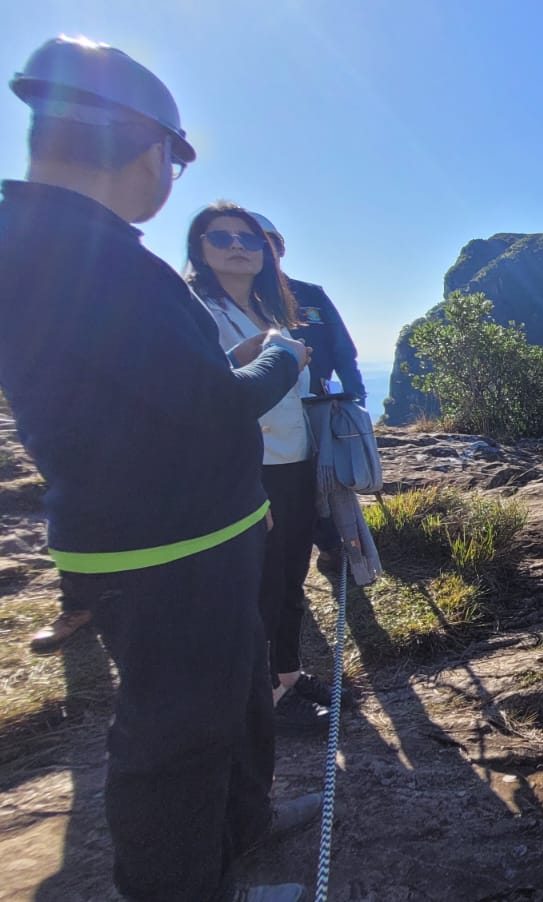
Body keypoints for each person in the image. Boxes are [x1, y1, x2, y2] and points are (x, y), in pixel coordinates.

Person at [0, 37, 313, 902]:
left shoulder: (42, 240)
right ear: (148, 149)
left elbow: (155, 393)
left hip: (187, 532)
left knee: (239, 693)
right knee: (176, 737)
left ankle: (244, 828)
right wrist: (281, 357)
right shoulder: (93, 258)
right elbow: (214, 406)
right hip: (168, 550)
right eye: (174, 158)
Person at [186, 203, 333, 732]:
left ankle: (287, 674)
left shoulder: (270, 313)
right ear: (198, 248)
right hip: (247, 467)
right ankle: (260, 698)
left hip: (292, 460)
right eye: (220, 237)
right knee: (257, 585)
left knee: (290, 575)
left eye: (249, 239)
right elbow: (204, 403)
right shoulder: (193, 310)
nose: (237, 246)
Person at [249, 211, 367, 578]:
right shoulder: (227, 301)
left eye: (273, 242)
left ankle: (332, 546)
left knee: (325, 484)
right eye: (257, 240)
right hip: (255, 415)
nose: (266, 250)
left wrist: (355, 400)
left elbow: (342, 349)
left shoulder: (310, 295)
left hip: (315, 407)